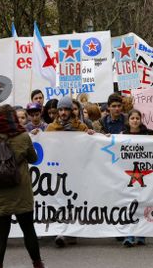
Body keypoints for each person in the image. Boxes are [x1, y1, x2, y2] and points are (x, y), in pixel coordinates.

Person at [0, 105, 45, 268]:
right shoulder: (23, 137)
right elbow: (33, 158)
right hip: (20, 191)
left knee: (1, 234)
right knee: (28, 230)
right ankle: (37, 264)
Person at [46, 96, 91, 247]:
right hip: (58, 170)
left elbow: (89, 147)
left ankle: (72, 232)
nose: (63, 112)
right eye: (60, 109)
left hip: (76, 170)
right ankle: (62, 231)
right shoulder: (51, 128)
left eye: (66, 109)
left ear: (71, 111)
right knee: (60, 200)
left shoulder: (81, 127)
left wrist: (91, 136)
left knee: (74, 201)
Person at [121, 109, 153, 247]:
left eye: (137, 118)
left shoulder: (148, 134)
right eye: (132, 118)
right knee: (128, 204)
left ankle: (141, 234)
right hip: (126, 175)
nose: (135, 120)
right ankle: (129, 235)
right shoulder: (122, 135)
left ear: (141, 120)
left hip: (144, 175)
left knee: (142, 203)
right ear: (128, 120)